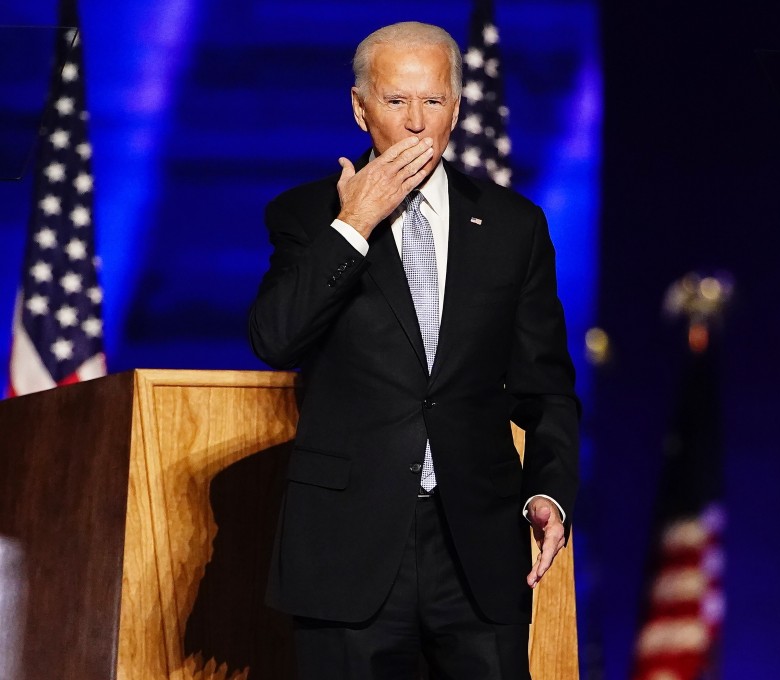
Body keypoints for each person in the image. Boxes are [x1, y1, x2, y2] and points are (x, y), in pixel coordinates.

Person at [248, 20, 580, 680]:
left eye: (433, 102)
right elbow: (274, 338)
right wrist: (354, 225)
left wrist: (550, 492)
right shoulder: (308, 216)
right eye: (397, 102)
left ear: (457, 107)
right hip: (350, 550)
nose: (416, 123)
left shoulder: (514, 225)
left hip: (478, 553)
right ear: (359, 106)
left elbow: (547, 388)